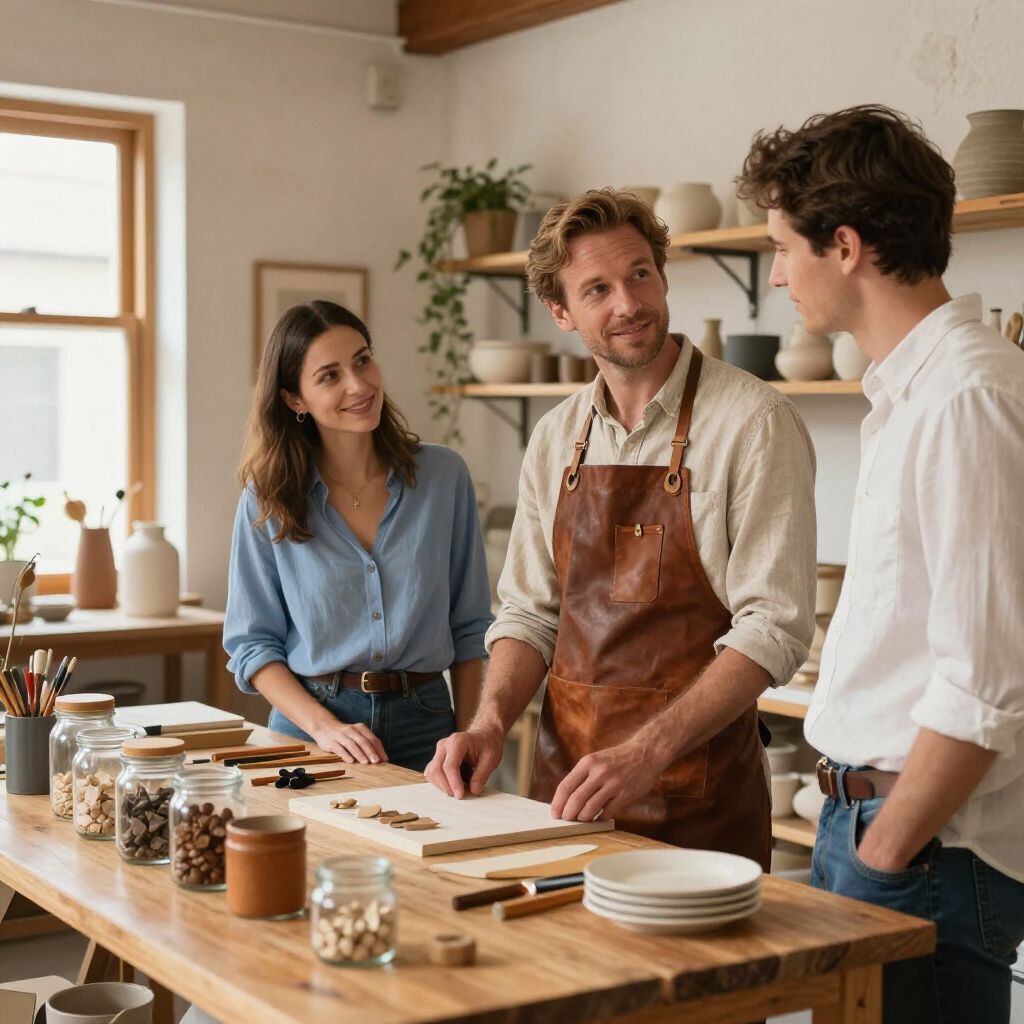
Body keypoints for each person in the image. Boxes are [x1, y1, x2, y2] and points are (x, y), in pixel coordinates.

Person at [425, 188, 817, 868]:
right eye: (597, 289)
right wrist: (489, 722)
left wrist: (649, 751)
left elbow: (773, 628)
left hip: (702, 807)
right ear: (561, 311)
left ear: (663, 277)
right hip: (565, 800)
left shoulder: (754, 422)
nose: (628, 304)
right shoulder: (555, 438)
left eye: (640, 274)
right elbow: (529, 613)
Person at [738, 104, 1024, 1023]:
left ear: (847, 245)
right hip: (879, 834)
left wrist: (883, 854)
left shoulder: (965, 398)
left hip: (919, 852)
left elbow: (988, 684)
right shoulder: (918, 392)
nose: (777, 274)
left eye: (784, 247)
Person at [223, 300, 492, 773]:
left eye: (362, 360)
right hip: (310, 727)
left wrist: (470, 736)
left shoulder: (443, 477)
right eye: (329, 375)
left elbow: (470, 629)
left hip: (428, 725)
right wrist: (324, 728)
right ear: (294, 399)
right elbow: (252, 645)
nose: (359, 384)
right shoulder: (268, 497)